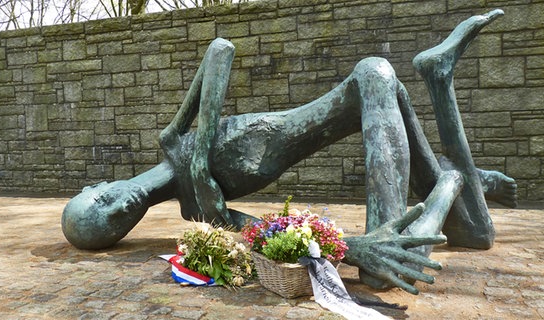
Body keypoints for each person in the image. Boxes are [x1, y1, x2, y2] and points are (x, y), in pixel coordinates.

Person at [62, 10, 516, 294]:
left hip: (337, 103)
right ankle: (441, 97)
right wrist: (354, 248)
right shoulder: (200, 210)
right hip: (362, 104)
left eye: (105, 201)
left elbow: (220, 51)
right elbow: (271, 235)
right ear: (126, 230)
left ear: (98, 185)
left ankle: (450, 164)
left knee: (375, 71)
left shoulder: (174, 138)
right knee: (476, 233)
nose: (123, 205)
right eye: (117, 219)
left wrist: (199, 157)